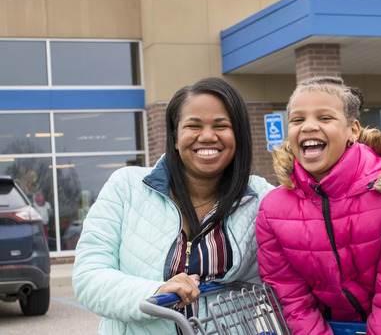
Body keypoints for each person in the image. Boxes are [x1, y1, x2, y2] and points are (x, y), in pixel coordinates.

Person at [72, 77, 275, 334]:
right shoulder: (126, 187)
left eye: (221, 126)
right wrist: (154, 292)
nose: (207, 136)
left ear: (239, 136)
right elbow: (88, 276)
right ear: (175, 137)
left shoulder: (262, 198)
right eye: (193, 125)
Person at [256, 76, 381, 335]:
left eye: (325, 118)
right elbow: (290, 297)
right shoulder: (272, 210)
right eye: (297, 119)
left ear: (353, 130)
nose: (308, 126)